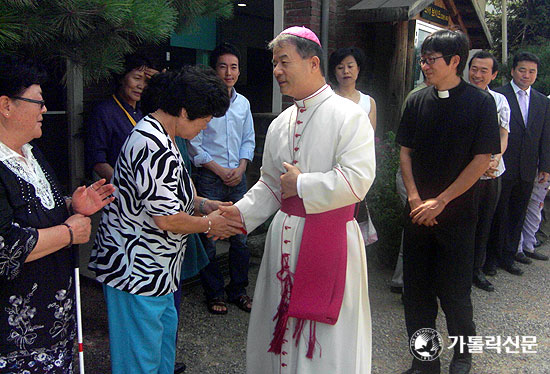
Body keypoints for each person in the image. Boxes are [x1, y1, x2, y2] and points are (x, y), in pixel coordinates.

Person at [220, 26, 375, 374]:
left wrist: (303, 184)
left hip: (331, 239)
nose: (276, 71)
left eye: (284, 61)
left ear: (313, 63)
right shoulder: (281, 123)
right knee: (279, 321)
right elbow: (271, 186)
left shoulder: (350, 116)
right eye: (275, 63)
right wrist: (236, 216)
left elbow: (359, 180)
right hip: (284, 237)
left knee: (324, 336)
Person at [88, 67, 242, 374]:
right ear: (184, 112)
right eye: (205, 119)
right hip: (136, 273)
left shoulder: (165, 136)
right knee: (140, 363)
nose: (206, 126)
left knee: (160, 358)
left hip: (158, 273)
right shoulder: (150, 143)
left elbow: (171, 196)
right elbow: (168, 218)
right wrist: (211, 224)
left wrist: (204, 203)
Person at [0, 55, 115, 372]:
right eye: (37, 102)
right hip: (17, 336)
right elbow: (4, 249)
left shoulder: (32, 152)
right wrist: (69, 232)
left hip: (56, 318)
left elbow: (36, 210)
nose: (45, 110)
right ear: (6, 106)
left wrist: (72, 206)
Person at [397, 30, 500, 374]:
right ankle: (424, 360)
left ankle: (463, 354)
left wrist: (440, 201)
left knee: (455, 294)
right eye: (423, 58)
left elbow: (482, 159)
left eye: (431, 59)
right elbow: (405, 153)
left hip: (457, 216)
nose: (424, 65)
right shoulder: (416, 100)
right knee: (417, 296)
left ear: (455, 61)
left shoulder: (481, 102)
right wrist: (414, 198)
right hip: (416, 215)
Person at [188, 42, 255, 315]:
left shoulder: (243, 103)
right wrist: (219, 170)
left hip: (237, 177)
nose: (229, 72)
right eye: (223, 66)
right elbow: (194, 143)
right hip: (209, 178)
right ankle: (214, 292)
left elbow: (248, 139)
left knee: (241, 235)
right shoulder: (202, 102)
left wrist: (240, 169)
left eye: (234, 67)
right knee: (209, 236)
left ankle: (238, 289)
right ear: (214, 69)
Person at [486, 51, 550, 276]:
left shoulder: (542, 101)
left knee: (518, 213)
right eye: (522, 70)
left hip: (527, 167)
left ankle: (510, 256)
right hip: (503, 165)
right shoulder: (498, 95)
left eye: (532, 71)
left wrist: (545, 167)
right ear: (513, 71)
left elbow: (545, 136)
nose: (527, 75)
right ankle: (491, 259)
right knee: (498, 213)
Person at [467, 51, 511, 292]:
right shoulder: (458, 96)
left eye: (484, 70)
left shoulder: (499, 101)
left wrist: (496, 158)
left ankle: (477, 270)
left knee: (484, 221)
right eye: (474, 69)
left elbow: (503, 134)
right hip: (464, 173)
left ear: (493, 75)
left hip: (492, 172)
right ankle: (458, 271)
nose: (477, 74)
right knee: (463, 222)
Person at [86, 54, 157, 181]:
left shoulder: (146, 110)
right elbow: (97, 160)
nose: (141, 85)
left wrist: (161, 81)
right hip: (120, 190)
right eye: (137, 78)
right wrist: (125, 186)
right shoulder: (105, 111)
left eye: (146, 81)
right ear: (122, 78)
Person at [328, 46, 377, 131]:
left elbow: (370, 136)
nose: (346, 71)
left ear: (358, 69)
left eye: (350, 66)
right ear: (334, 72)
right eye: (340, 68)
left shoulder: (369, 102)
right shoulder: (327, 100)